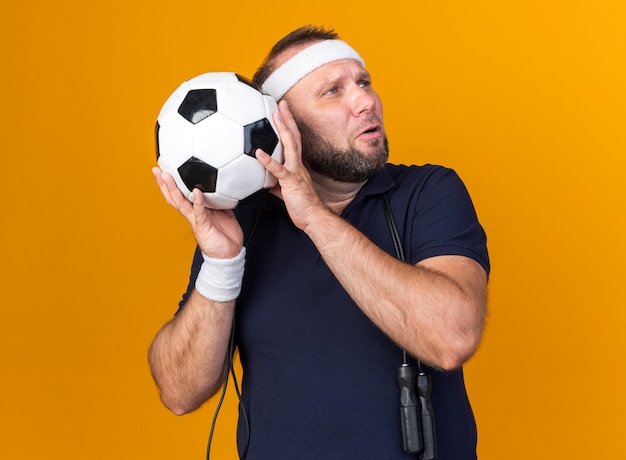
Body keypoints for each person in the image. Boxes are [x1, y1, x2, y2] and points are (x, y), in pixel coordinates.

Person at [149, 25, 489, 460]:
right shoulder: (243, 226)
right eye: (333, 91)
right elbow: (180, 391)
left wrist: (314, 217)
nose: (366, 101)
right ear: (280, 124)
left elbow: (451, 338)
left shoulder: (426, 192)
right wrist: (220, 266)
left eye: (363, 82)